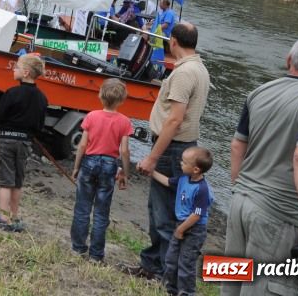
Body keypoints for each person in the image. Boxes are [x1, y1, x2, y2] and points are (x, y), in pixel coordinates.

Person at [222, 36, 298, 296]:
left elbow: (237, 146)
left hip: (241, 204)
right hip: (279, 217)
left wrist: (240, 190)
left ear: (289, 60)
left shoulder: (259, 92)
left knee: (231, 287)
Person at [126, 22, 210, 281]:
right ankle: (153, 263)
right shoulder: (199, 68)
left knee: (163, 210)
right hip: (184, 145)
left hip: (173, 148)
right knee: (166, 206)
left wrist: (152, 157)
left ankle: (163, 270)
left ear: (173, 41)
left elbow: (174, 119)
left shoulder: (184, 73)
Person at [70, 78, 133, 260]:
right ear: (122, 100)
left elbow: (82, 145)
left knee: (82, 208)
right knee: (101, 212)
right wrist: (125, 173)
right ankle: (96, 254)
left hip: (89, 162)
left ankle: (78, 247)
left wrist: (76, 167)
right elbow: (124, 151)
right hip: (109, 164)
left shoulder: (91, 116)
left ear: (100, 95)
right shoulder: (125, 122)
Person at [0, 53, 48, 232]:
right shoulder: (42, 98)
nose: (13, 69)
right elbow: (40, 125)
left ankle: (4, 217)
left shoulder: (12, 93)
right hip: (25, 142)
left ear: (26, 72)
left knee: (5, 181)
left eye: (16, 67)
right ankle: (15, 217)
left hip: (7, 139)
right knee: (17, 181)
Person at [151, 146, 213, 296]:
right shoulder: (184, 179)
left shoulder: (202, 190)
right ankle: (170, 289)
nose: (180, 163)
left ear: (196, 169)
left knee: (186, 263)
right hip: (181, 225)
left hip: (194, 229)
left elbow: (197, 215)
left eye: (184, 162)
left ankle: (186, 292)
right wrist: (152, 172)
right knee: (171, 258)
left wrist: (180, 229)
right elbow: (168, 181)